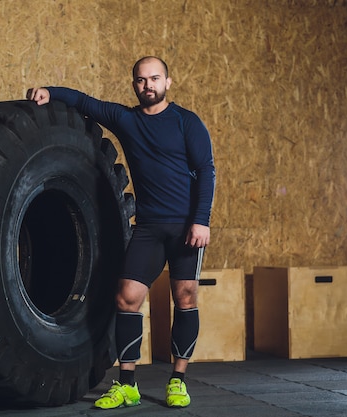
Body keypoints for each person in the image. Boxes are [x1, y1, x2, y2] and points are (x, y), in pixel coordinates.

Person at [27, 56, 215, 409]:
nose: (149, 85)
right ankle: (127, 383)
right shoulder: (125, 120)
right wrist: (49, 92)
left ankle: (178, 380)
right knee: (126, 298)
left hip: (186, 228)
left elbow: (206, 171)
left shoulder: (187, 123)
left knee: (185, 298)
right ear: (134, 85)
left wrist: (201, 220)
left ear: (168, 82)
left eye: (155, 79)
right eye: (142, 80)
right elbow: (84, 102)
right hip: (148, 227)